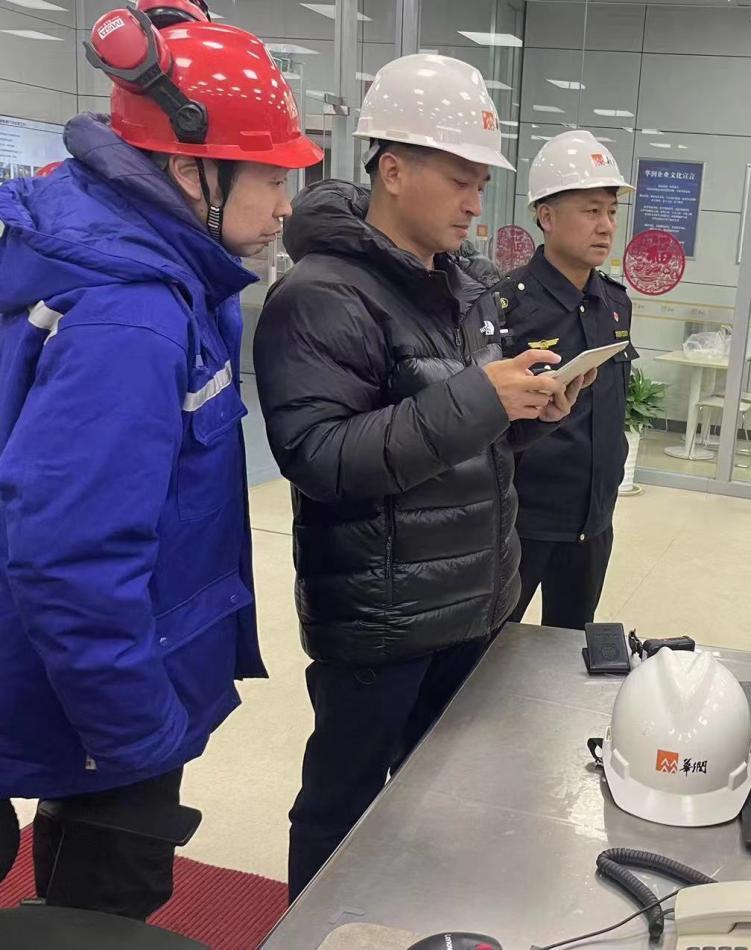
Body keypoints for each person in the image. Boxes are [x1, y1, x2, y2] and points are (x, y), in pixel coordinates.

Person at [0, 5, 320, 919]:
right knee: (105, 907)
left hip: (78, 671)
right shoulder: (132, 312)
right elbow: (72, 554)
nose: (286, 206)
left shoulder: (138, 258)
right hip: (102, 689)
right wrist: (135, 734)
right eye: (271, 178)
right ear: (190, 172)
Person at [253, 53, 591, 900]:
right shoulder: (323, 295)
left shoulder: (465, 288)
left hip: (473, 603)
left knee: (447, 809)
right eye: (460, 180)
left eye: (483, 183)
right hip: (382, 619)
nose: (476, 203)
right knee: (342, 811)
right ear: (393, 170)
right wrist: (480, 399)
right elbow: (323, 459)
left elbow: (461, 442)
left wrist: (526, 413)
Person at [492, 130, 636, 630]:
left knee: (570, 646)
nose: (606, 226)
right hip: (522, 519)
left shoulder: (615, 303)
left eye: (611, 211)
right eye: (591, 210)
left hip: (593, 519)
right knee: (492, 649)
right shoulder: (506, 305)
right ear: (546, 216)